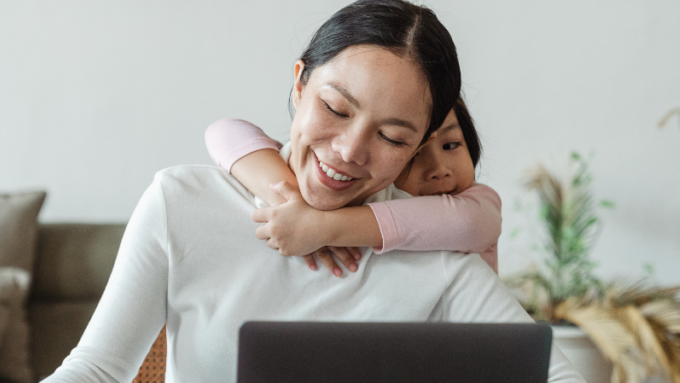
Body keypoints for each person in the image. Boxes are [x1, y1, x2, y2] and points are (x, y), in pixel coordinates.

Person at [0, 0, 602, 383]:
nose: (349, 151)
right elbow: (97, 377)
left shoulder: (434, 253)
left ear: (418, 148)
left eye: (392, 136)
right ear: (298, 85)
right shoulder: (182, 203)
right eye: (336, 108)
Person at [204, 97, 501, 275]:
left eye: (452, 145)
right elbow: (224, 131)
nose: (439, 171)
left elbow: (467, 224)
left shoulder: (478, 203)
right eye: (414, 155)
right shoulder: (362, 191)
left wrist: (322, 226)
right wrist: (291, 203)